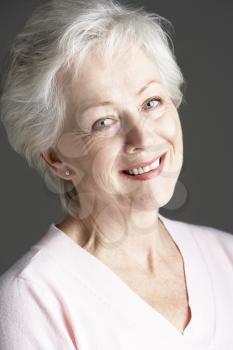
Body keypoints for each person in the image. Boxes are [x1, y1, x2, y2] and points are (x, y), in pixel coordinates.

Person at [0, 0, 232, 349]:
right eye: (103, 122)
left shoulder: (226, 256)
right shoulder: (33, 299)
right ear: (55, 158)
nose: (143, 137)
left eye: (151, 102)